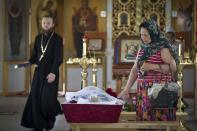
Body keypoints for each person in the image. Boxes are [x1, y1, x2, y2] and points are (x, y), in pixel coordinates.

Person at [118, 19, 178, 121]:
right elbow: (135, 68)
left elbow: (172, 66)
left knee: (158, 123)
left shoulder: (162, 47)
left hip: (158, 91)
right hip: (143, 91)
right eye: (142, 35)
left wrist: (151, 66)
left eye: (146, 35)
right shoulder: (143, 48)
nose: (143, 38)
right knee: (144, 123)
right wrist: (126, 89)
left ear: (153, 33)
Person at [21, 15, 63, 131]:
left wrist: (53, 72)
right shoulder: (38, 38)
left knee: (47, 98)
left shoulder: (57, 39)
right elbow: (35, 56)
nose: (46, 25)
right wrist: (29, 62)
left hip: (51, 72)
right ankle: (38, 125)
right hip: (39, 72)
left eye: (48, 23)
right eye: (44, 23)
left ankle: (51, 118)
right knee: (35, 98)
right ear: (41, 24)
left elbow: (58, 58)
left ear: (53, 24)